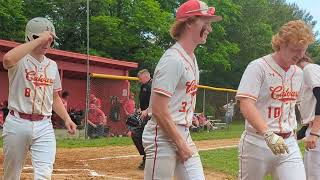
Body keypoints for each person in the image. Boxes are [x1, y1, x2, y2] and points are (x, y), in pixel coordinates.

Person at [142, 0, 222, 179]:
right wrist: (178, 142)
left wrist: (182, 140)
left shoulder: (191, 58)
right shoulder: (173, 59)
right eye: (206, 23)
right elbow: (158, 110)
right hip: (162, 136)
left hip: (182, 133)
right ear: (189, 22)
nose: (210, 29)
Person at [236, 20, 314, 180]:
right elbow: (245, 103)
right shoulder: (258, 67)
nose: (300, 55)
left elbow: (298, 105)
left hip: (288, 143)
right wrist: (268, 134)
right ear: (281, 44)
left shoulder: (299, 74)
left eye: (303, 50)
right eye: (295, 50)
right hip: (257, 142)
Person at [2, 17, 77, 179]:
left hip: (44, 125)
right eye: (41, 38)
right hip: (17, 123)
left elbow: (55, 97)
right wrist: (39, 40)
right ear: (29, 36)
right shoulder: (19, 59)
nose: (46, 43)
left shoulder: (52, 65)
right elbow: (7, 59)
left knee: (44, 172)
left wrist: (67, 118)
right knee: (11, 174)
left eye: (50, 40)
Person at [296, 55, 320, 179]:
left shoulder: (309, 69)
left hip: (317, 131)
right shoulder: (306, 74)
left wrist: (315, 133)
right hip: (313, 129)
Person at [131, 69, 152, 170]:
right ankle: (147, 156)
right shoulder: (143, 86)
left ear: (146, 76)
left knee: (144, 135)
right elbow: (143, 101)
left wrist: (147, 110)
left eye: (140, 78)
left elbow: (155, 102)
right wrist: (140, 109)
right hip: (144, 115)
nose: (139, 80)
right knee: (135, 134)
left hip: (152, 115)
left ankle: (148, 158)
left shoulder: (152, 86)